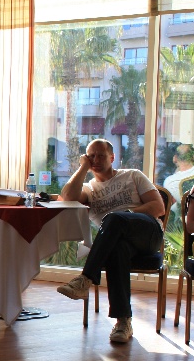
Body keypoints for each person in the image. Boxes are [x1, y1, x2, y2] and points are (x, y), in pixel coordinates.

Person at [57, 138, 165, 343]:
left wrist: (124, 216)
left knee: (115, 218)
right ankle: (123, 322)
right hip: (117, 242)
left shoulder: (133, 175)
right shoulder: (88, 189)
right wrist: (83, 168)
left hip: (148, 234)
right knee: (117, 249)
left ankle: (85, 279)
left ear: (112, 157)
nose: (96, 159)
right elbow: (67, 198)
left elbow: (158, 207)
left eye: (101, 155)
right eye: (91, 156)